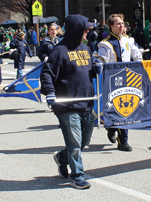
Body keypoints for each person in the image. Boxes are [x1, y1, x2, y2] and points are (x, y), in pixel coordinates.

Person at [40, 14, 97, 189]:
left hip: (86, 102)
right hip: (67, 105)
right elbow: (47, 73)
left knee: (83, 142)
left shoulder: (85, 49)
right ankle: (77, 176)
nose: (87, 32)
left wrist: (95, 68)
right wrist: (50, 92)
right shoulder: (59, 50)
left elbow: (85, 71)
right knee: (74, 143)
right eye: (85, 29)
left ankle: (61, 158)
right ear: (76, 30)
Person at [96, 13, 143, 152]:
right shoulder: (106, 43)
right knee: (115, 109)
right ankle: (111, 127)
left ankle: (123, 141)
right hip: (113, 81)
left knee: (125, 111)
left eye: (122, 23)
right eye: (118, 24)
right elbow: (101, 61)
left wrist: (140, 65)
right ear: (112, 26)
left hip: (127, 80)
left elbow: (137, 55)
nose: (121, 26)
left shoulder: (129, 40)